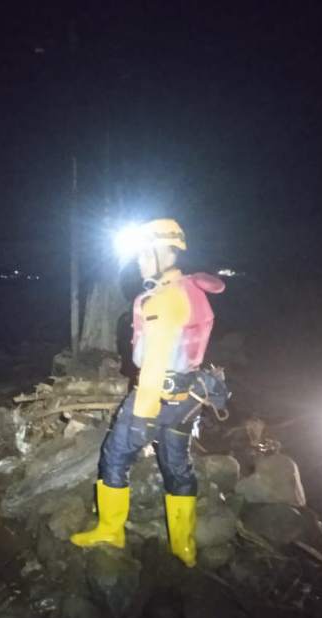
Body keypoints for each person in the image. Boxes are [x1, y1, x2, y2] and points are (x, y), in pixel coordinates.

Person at [69, 218, 224, 567]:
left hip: (155, 396)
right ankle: (184, 546)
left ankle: (111, 529)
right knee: (178, 467)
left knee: (115, 456)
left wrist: (141, 414)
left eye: (143, 255)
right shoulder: (192, 289)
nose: (139, 262)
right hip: (187, 400)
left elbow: (154, 361)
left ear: (163, 253)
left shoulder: (163, 300)